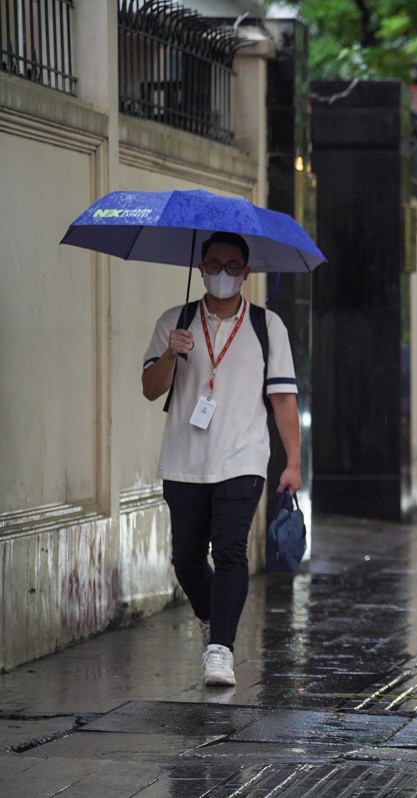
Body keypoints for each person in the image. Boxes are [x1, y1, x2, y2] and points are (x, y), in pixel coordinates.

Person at [141, 231, 301, 688]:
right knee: (187, 559)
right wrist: (172, 351)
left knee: (230, 552)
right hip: (184, 458)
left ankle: (220, 650)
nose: (223, 274)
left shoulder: (267, 327)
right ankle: (216, 620)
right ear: (201, 268)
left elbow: (284, 399)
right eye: (214, 265)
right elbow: (151, 389)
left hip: (243, 457)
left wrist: (293, 462)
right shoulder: (176, 320)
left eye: (233, 267)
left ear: (246, 274)